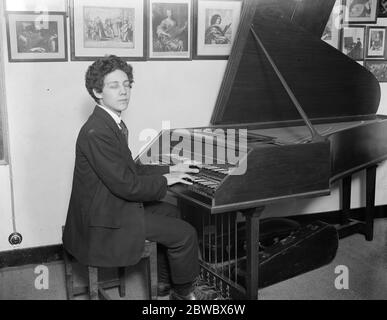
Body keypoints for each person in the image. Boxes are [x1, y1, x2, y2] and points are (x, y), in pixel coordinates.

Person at [62, 55, 220, 300]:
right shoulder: (97, 131)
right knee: (185, 233)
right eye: (114, 86)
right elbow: (128, 186)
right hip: (103, 220)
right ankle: (185, 293)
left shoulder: (109, 122)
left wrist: (170, 170)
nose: (124, 91)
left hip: (107, 207)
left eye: (127, 84)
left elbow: (130, 170)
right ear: (97, 91)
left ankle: (164, 285)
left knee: (171, 212)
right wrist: (167, 180)